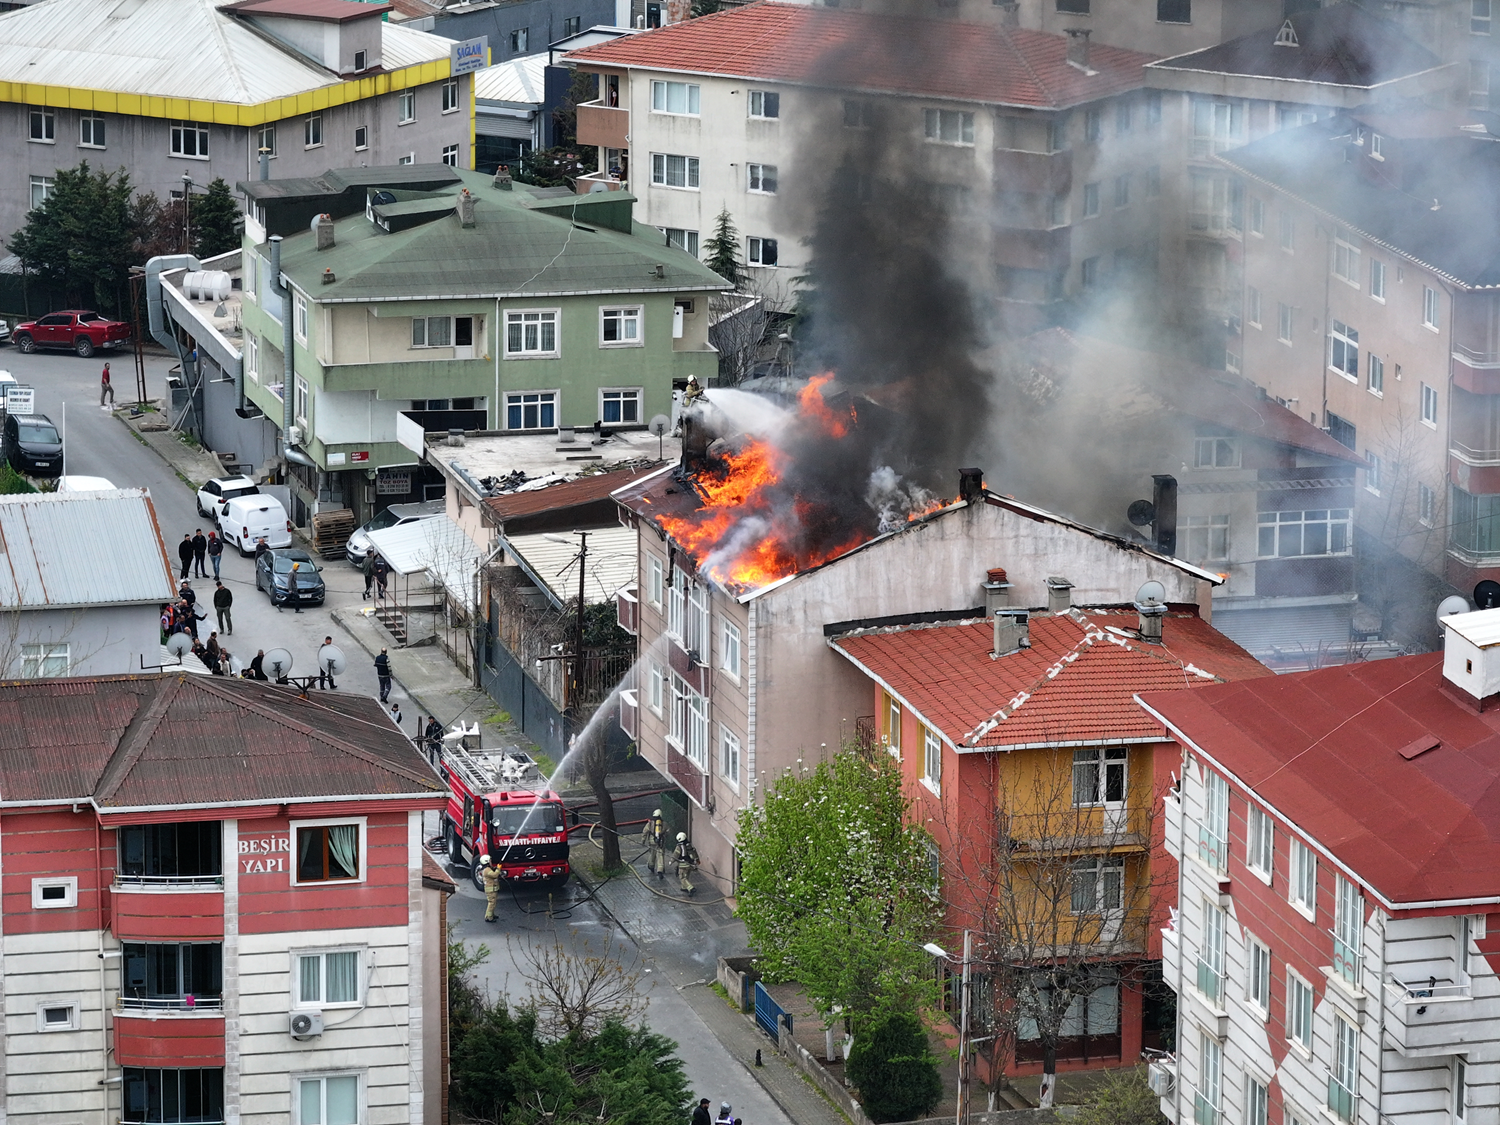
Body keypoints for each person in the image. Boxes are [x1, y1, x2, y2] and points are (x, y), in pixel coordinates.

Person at [641, 808, 666, 877]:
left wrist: (643, 841)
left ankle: (651, 866)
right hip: (660, 842)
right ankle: (660, 870)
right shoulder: (664, 823)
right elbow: (668, 831)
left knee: (652, 854)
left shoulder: (650, 823)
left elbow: (645, 832)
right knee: (660, 856)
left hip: (652, 841)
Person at [480, 854, 500, 923]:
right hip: (490, 890)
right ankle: (488, 917)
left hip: (492, 889)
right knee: (491, 903)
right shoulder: (487, 870)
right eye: (490, 861)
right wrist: (498, 869)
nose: (491, 862)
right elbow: (495, 875)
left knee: (493, 903)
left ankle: (491, 914)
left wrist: (495, 868)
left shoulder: (488, 869)